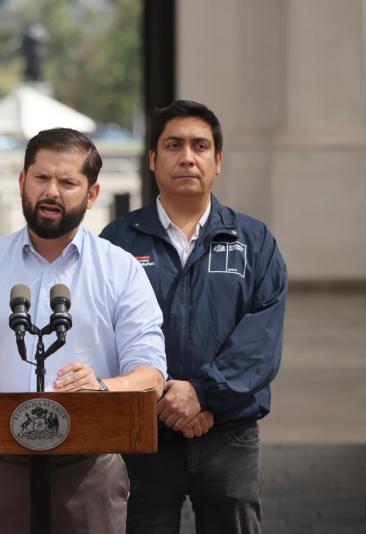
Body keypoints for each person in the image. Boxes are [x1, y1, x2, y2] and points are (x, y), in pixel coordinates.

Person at [0, 128, 167, 534]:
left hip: (89, 468)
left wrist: (100, 387)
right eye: (41, 178)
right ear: (22, 181)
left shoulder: (120, 270)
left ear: (92, 194)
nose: (52, 191)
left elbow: (151, 375)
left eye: (67, 182)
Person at [101, 99, 287, 534]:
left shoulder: (254, 241)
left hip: (229, 434)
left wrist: (203, 394)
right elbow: (104, 333)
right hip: (141, 435)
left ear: (217, 161)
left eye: (200, 146)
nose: (187, 156)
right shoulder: (116, 242)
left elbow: (262, 339)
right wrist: (166, 401)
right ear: (153, 159)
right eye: (173, 145)